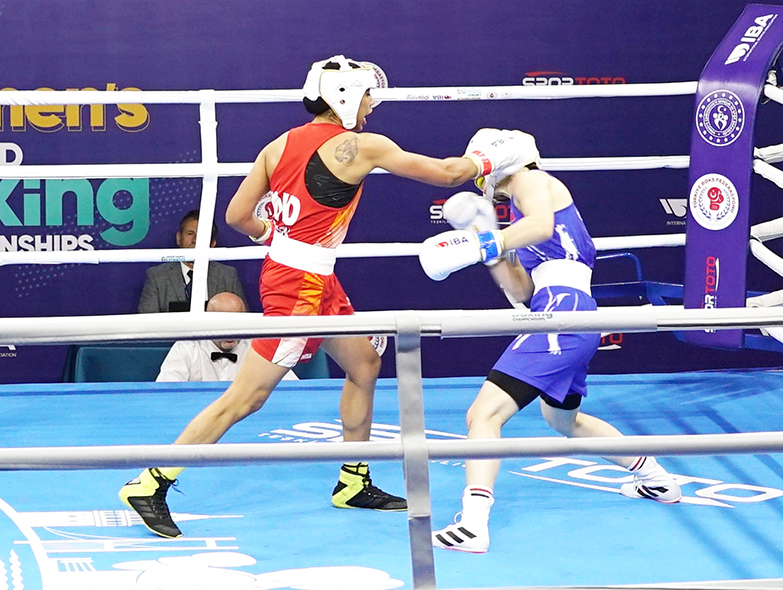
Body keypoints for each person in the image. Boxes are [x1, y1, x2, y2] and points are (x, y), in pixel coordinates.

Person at [119, 54, 535, 538]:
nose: (371, 108)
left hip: (303, 272)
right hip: (299, 286)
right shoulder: (360, 146)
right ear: (346, 96)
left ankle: (353, 480)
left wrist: (272, 235)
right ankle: (151, 482)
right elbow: (446, 174)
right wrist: (498, 155)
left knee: (363, 363)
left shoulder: (278, 146)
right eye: (367, 98)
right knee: (246, 397)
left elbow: (236, 216)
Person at [419, 131, 682, 554]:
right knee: (563, 422)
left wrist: (490, 239)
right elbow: (521, 290)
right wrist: (486, 245)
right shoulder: (519, 217)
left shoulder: (532, 181)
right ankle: (656, 480)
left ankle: (472, 525)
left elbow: (541, 227)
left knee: (483, 414)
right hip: (566, 311)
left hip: (563, 311)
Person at [156, 292, 298, 383]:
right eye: (224, 324)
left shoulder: (259, 347)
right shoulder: (185, 348)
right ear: (208, 322)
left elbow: (292, 388)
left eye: (237, 323)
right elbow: (165, 393)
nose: (231, 331)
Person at [137, 209, 248, 313]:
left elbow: (243, 321)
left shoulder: (227, 275)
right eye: (190, 234)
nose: (195, 241)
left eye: (202, 236)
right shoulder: (157, 276)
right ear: (178, 238)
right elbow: (146, 324)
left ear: (213, 243)